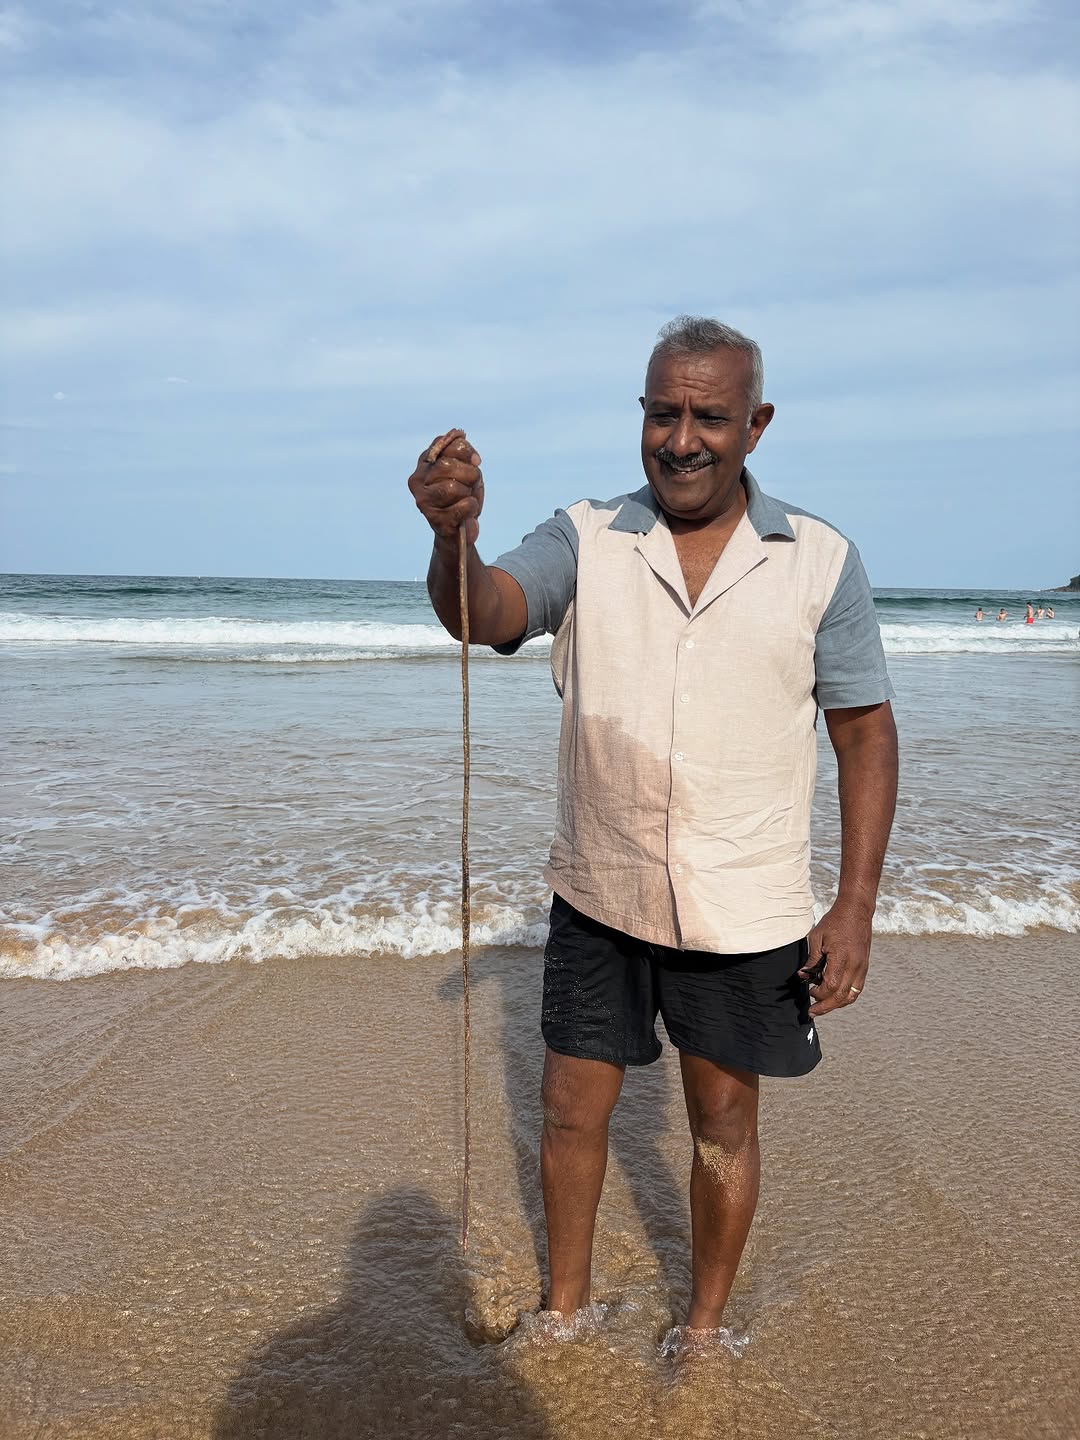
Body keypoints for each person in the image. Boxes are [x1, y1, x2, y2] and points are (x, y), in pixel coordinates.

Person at [408, 316, 899, 1337]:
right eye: (662, 413)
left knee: (723, 1121)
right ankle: (564, 1312)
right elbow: (485, 612)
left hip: (745, 903)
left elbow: (863, 732)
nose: (682, 440)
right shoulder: (586, 536)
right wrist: (452, 538)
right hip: (602, 885)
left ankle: (703, 1329)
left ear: (756, 424)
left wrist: (854, 906)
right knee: (567, 1110)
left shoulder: (819, 560)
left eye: (709, 417)